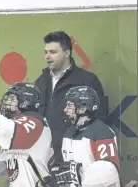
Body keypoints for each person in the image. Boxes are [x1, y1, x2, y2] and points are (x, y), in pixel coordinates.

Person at [38, 86, 121, 187]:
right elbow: (71, 170)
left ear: (82, 108)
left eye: (70, 106)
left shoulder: (102, 132)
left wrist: (76, 178)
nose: (65, 110)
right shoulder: (69, 133)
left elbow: (107, 176)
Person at [35, 31, 107, 163]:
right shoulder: (41, 81)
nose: (47, 56)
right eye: (46, 52)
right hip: (45, 157)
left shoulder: (87, 80)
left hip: (75, 157)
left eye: (53, 52)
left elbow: (100, 118)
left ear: (67, 53)